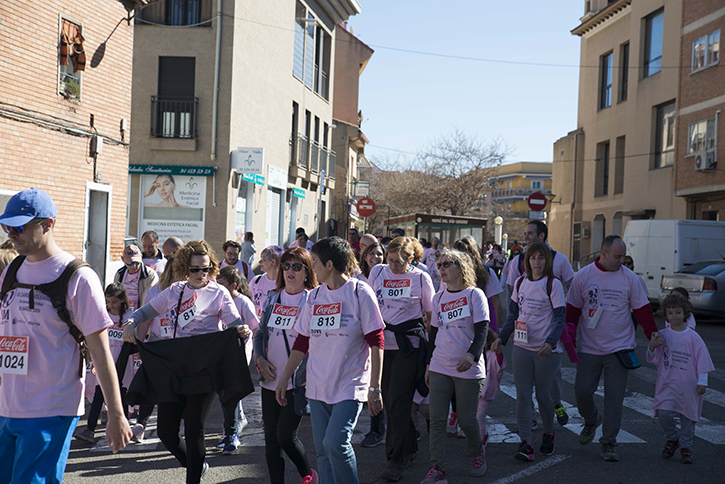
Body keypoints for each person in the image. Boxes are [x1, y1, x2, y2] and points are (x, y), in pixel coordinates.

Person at [0, 188, 131, 482]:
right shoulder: (11, 271)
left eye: (19, 226)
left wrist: (116, 414)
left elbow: (100, 351)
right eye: (7, 226)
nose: (12, 233)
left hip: (50, 408)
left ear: (48, 224)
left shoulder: (78, 277)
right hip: (6, 408)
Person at [122, 240, 253, 483]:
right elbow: (144, 313)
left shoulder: (219, 292)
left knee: (194, 429)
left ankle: (192, 477)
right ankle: (196, 464)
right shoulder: (174, 291)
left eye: (205, 269)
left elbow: (235, 324)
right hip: (175, 366)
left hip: (204, 368)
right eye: (195, 269)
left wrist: (243, 331)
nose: (201, 274)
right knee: (166, 432)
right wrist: (131, 322)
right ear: (185, 268)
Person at [275, 237, 384, 484]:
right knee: (323, 451)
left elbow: (377, 340)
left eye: (314, 262)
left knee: (336, 443)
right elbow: (302, 342)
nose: (312, 267)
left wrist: (375, 387)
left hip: (350, 383)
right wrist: (285, 378)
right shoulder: (314, 298)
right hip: (317, 384)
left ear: (330, 264)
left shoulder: (359, 292)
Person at [566, 235, 658, 462]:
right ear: (603, 254)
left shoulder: (630, 279)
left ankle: (608, 443)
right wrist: (569, 337)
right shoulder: (583, 276)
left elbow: (643, 311)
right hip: (590, 348)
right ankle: (591, 419)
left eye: (624, 257)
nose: (622, 261)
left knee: (614, 399)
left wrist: (652, 334)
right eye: (618, 257)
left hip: (619, 349)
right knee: (582, 393)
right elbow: (572, 311)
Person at [367, 237, 434, 482]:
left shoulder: (420, 278)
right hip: (383, 345)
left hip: (409, 346)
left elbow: (430, 316)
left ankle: (395, 459)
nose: (393, 265)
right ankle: (410, 447)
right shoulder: (377, 272)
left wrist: (431, 354)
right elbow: (371, 307)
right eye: (390, 260)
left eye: (399, 261)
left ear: (411, 259)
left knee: (398, 401)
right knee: (392, 401)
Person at [492, 243, 566, 461]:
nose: (537, 262)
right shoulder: (520, 282)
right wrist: (500, 338)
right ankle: (525, 443)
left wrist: (551, 342)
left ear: (547, 261)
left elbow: (560, 318)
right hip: (522, 347)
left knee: (543, 396)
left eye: (541, 258)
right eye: (532, 258)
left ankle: (548, 433)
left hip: (546, 350)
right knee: (523, 395)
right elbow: (512, 316)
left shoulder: (554, 284)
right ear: (527, 261)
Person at [422, 249, 488, 483]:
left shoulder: (475, 295)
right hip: (441, 365)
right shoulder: (438, 297)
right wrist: (429, 363)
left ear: (461, 267)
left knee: (467, 421)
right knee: (437, 419)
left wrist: (472, 355)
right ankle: (436, 467)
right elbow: (435, 333)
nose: (441, 269)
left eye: (446, 264)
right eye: (439, 265)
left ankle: (476, 453)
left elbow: (482, 330)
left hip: (467, 369)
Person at [253, 248, 319, 484]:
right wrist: (260, 358)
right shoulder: (273, 297)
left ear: (307, 271)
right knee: (271, 439)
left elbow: (319, 340)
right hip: (271, 378)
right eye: (286, 266)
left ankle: (308, 476)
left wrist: (308, 372)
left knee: (285, 436)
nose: (290, 271)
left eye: (297, 267)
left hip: (297, 381)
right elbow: (259, 334)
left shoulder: (314, 298)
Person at [506, 221, 575, 427]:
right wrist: (513, 324)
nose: (526, 237)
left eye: (530, 234)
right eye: (525, 234)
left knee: (552, 374)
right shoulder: (517, 261)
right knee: (524, 383)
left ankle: (556, 403)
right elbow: (512, 294)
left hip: (550, 328)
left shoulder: (560, 260)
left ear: (542, 236)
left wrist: (563, 321)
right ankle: (531, 413)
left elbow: (572, 288)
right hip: (523, 330)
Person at [647, 294, 713, 465]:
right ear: (665, 315)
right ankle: (672, 438)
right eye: (670, 313)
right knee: (664, 414)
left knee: (688, 417)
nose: (674, 316)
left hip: (689, 385)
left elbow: (702, 360)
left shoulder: (693, 337)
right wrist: (652, 347)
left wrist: (702, 382)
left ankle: (686, 447)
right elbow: (653, 358)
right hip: (667, 383)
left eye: (678, 312)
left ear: (685, 314)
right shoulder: (662, 335)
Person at [74, 283, 135, 444]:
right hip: (104, 364)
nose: (110, 305)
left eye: (114, 302)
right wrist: (94, 361)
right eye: (108, 301)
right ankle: (90, 430)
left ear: (122, 300)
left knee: (121, 398)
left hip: (122, 365)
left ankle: (125, 429)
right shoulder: (103, 315)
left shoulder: (130, 317)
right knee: (98, 398)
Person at [216, 265, 258, 454]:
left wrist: (255, 352)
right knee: (224, 392)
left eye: (222, 284)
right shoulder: (216, 300)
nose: (218, 287)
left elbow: (255, 327)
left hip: (239, 353)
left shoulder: (243, 302)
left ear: (234, 285)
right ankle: (233, 427)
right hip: (220, 352)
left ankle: (232, 433)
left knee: (231, 391)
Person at [114, 244, 159, 312]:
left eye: (137, 262)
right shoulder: (120, 274)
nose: (134, 266)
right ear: (123, 259)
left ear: (141, 257)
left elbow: (150, 299)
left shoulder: (150, 275)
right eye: (130, 263)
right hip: (122, 315)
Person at [251, 246, 284, 316]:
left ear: (273, 262)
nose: (259, 262)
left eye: (263, 259)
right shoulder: (256, 280)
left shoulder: (285, 284)